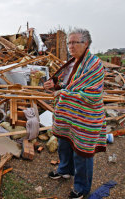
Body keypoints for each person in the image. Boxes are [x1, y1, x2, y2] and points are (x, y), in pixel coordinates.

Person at [43, 28, 106, 199]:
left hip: (85, 117)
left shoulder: (94, 65)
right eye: (69, 42)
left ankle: (82, 188)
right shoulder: (72, 62)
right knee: (64, 144)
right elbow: (64, 83)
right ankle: (64, 170)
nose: (70, 46)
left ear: (85, 44)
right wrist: (53, 85)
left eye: (74, 42)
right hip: (67, 115)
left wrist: (63, 93)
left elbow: (92, 95)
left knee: (82, 153)